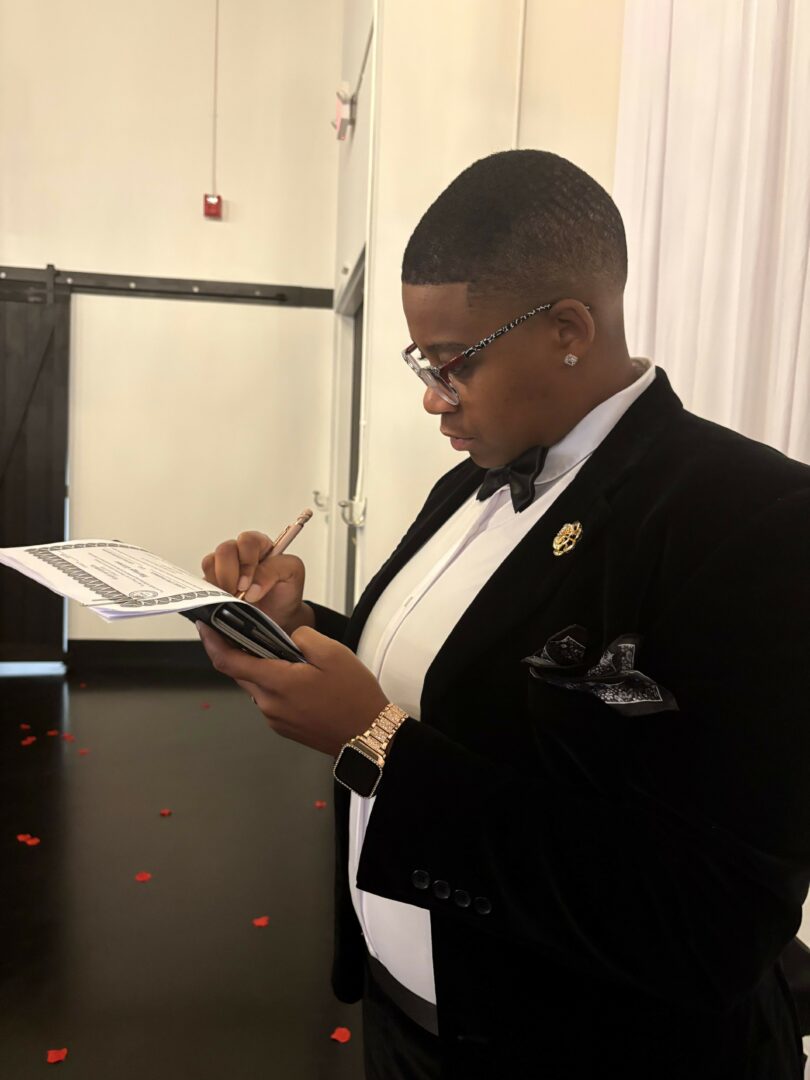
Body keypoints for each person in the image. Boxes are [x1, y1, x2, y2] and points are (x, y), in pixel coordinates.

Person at [197, 150, 810, 1079]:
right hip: (405, 1018)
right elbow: (448, 680)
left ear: (568, 329)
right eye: (423, 363)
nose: (431, 398)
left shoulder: (756, 520)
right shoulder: (468, 483)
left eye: (454, 365)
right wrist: (300, 625)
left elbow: (707, 923)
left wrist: (375, 744)